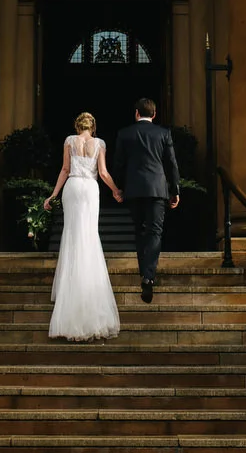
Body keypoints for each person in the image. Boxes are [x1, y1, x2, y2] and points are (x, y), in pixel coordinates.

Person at [42, 111, 122, 341]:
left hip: (73, 187)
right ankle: (88, 286)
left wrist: (53, 195)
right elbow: (104, 172)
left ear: (77, 127)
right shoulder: (99, 143)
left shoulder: (69, 141)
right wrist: (116, 190)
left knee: (72, 235)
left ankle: (70, 288)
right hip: (90, 189)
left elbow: (65, 170)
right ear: (93, 127)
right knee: (89, 235)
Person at [111, 97, 180, 303]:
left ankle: (145, 273)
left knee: (140, 231)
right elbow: (172, 164)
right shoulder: (163, 133)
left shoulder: (125, 134)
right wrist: (175, 190)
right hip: (157, 190)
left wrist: (117, 188)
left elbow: (119, 163)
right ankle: (148, 276)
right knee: (155, 231)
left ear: (136, 113)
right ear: (155, 114)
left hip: (133, 190)